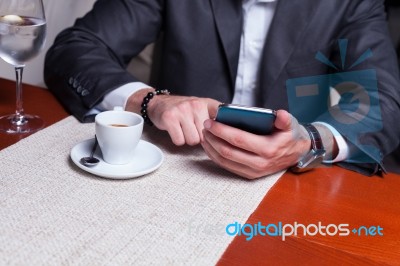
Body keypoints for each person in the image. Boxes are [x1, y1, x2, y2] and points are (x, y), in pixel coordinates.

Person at [44, 0, 400, 178]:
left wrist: (310, 141)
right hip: (176, 170)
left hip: (295, 186)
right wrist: (149, 101)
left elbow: (380, 101)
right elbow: (75, 48)